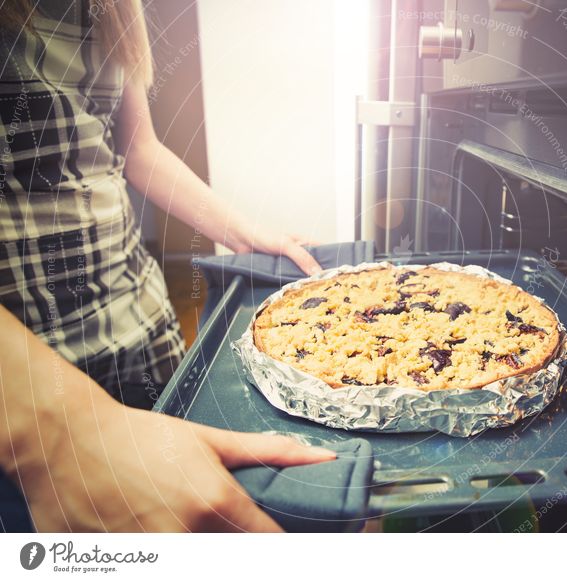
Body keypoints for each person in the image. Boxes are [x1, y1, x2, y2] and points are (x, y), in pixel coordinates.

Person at [0, 0, 333, 532]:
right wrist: (58, 436)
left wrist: (246, 232)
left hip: (145, 335)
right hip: (25, 399)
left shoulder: (109, 7)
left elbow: (138, 149)